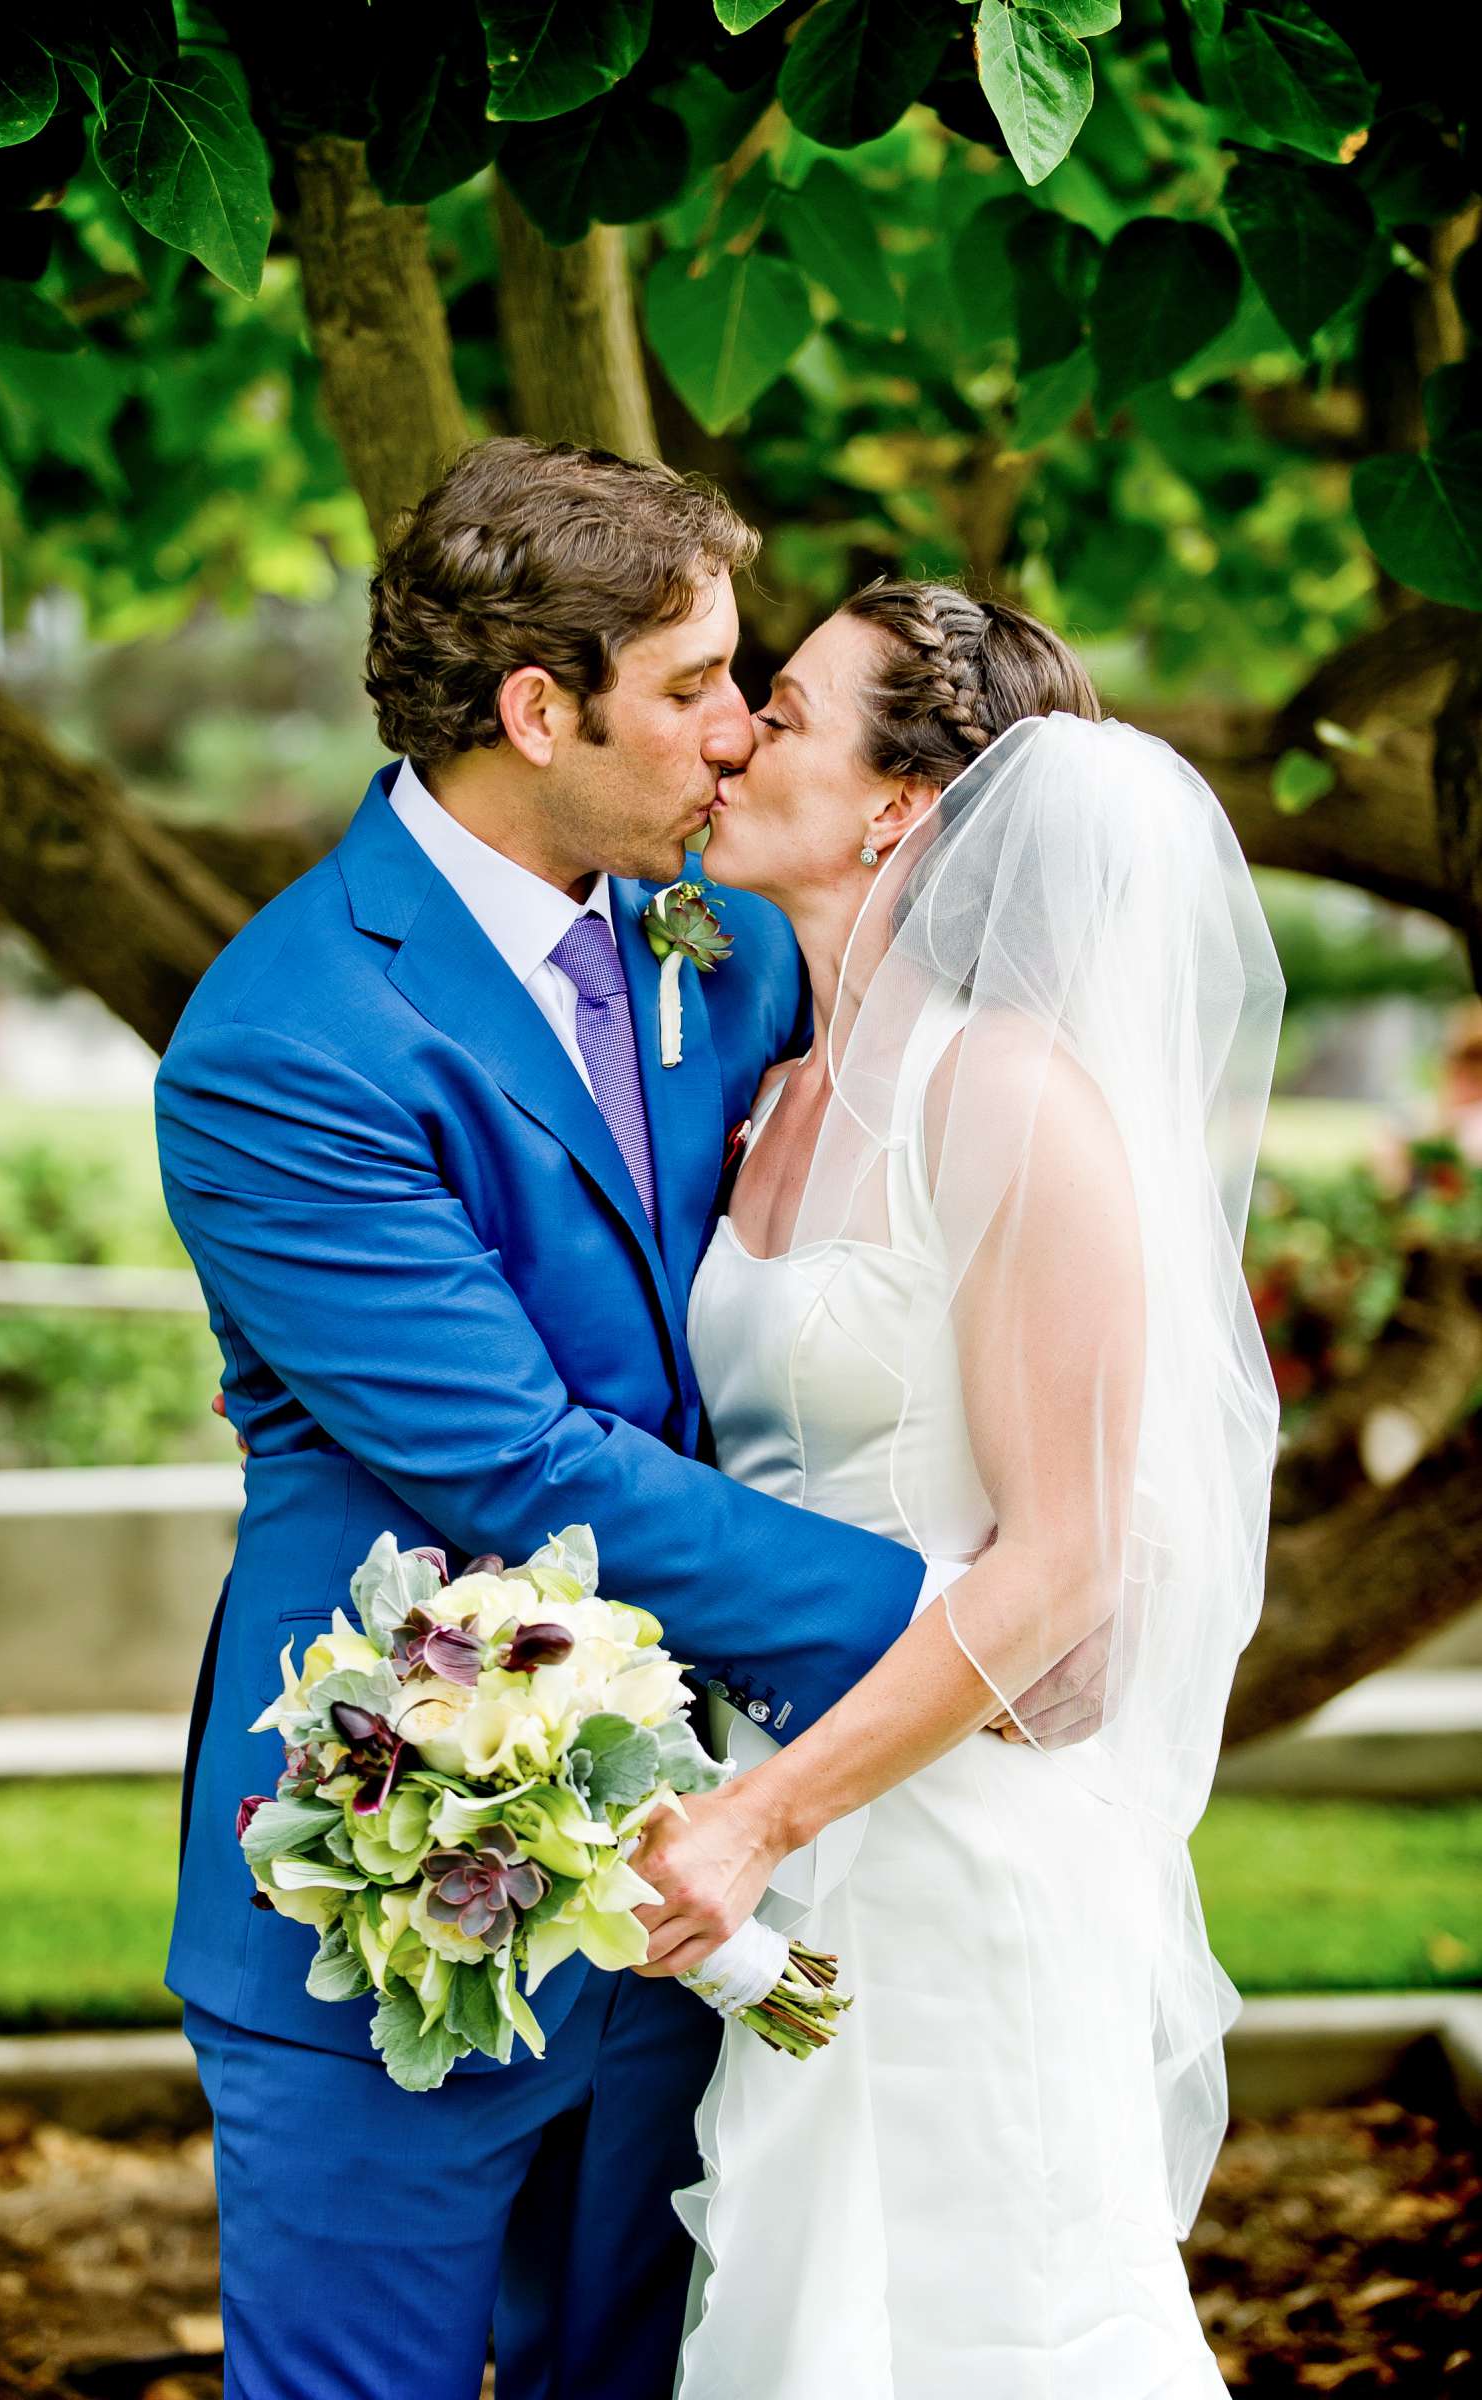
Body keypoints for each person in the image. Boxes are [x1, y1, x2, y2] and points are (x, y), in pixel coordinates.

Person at [155, 446, 1091, 2400]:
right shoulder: (288, 1039)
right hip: (398, 1866)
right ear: (535, 710)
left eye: (752, 685)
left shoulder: (726, 946)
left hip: (697, 1889)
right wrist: (964, 1625)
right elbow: (517, 1464)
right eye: (694, 688)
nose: (740, 736)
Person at [632, 581, 1285, 2398]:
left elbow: (1065, 1565)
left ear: (898, 806)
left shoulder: (1009, 1103)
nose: (735, 733)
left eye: (782, 704)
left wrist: (764, 1816)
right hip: (786, 1841)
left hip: (950, 1846)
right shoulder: (775, 1093)